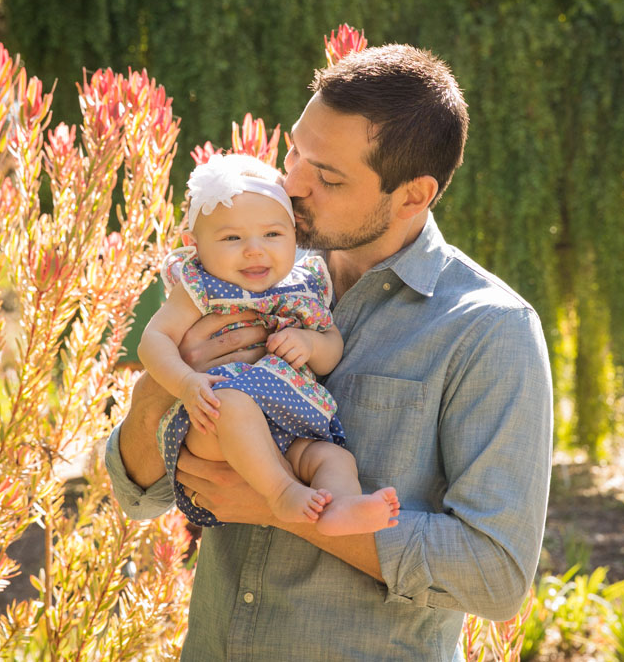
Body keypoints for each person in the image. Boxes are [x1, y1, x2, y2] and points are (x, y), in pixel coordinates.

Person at [105, 43, 553, 660]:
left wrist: (281, 509)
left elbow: (496, 577)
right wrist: (161, 390)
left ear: (413, 195)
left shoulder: (488, 330)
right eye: (295, 152)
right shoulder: (245, 266)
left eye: (329, 177)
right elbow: (137, 495)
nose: (291, 185)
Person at [138, 153, 399, 534]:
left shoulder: (304, 284)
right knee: (234, 407)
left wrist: (310, 344)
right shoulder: (200, 285)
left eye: (272, 234)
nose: (254, 249)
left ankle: (340, 510)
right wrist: (185, 383)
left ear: (294, 232)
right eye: (232, 238)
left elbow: (331, 349)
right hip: (216, 419)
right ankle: (280, 492)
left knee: (331, 458)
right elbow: (153, 340)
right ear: (194, 245)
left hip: (291, 421)